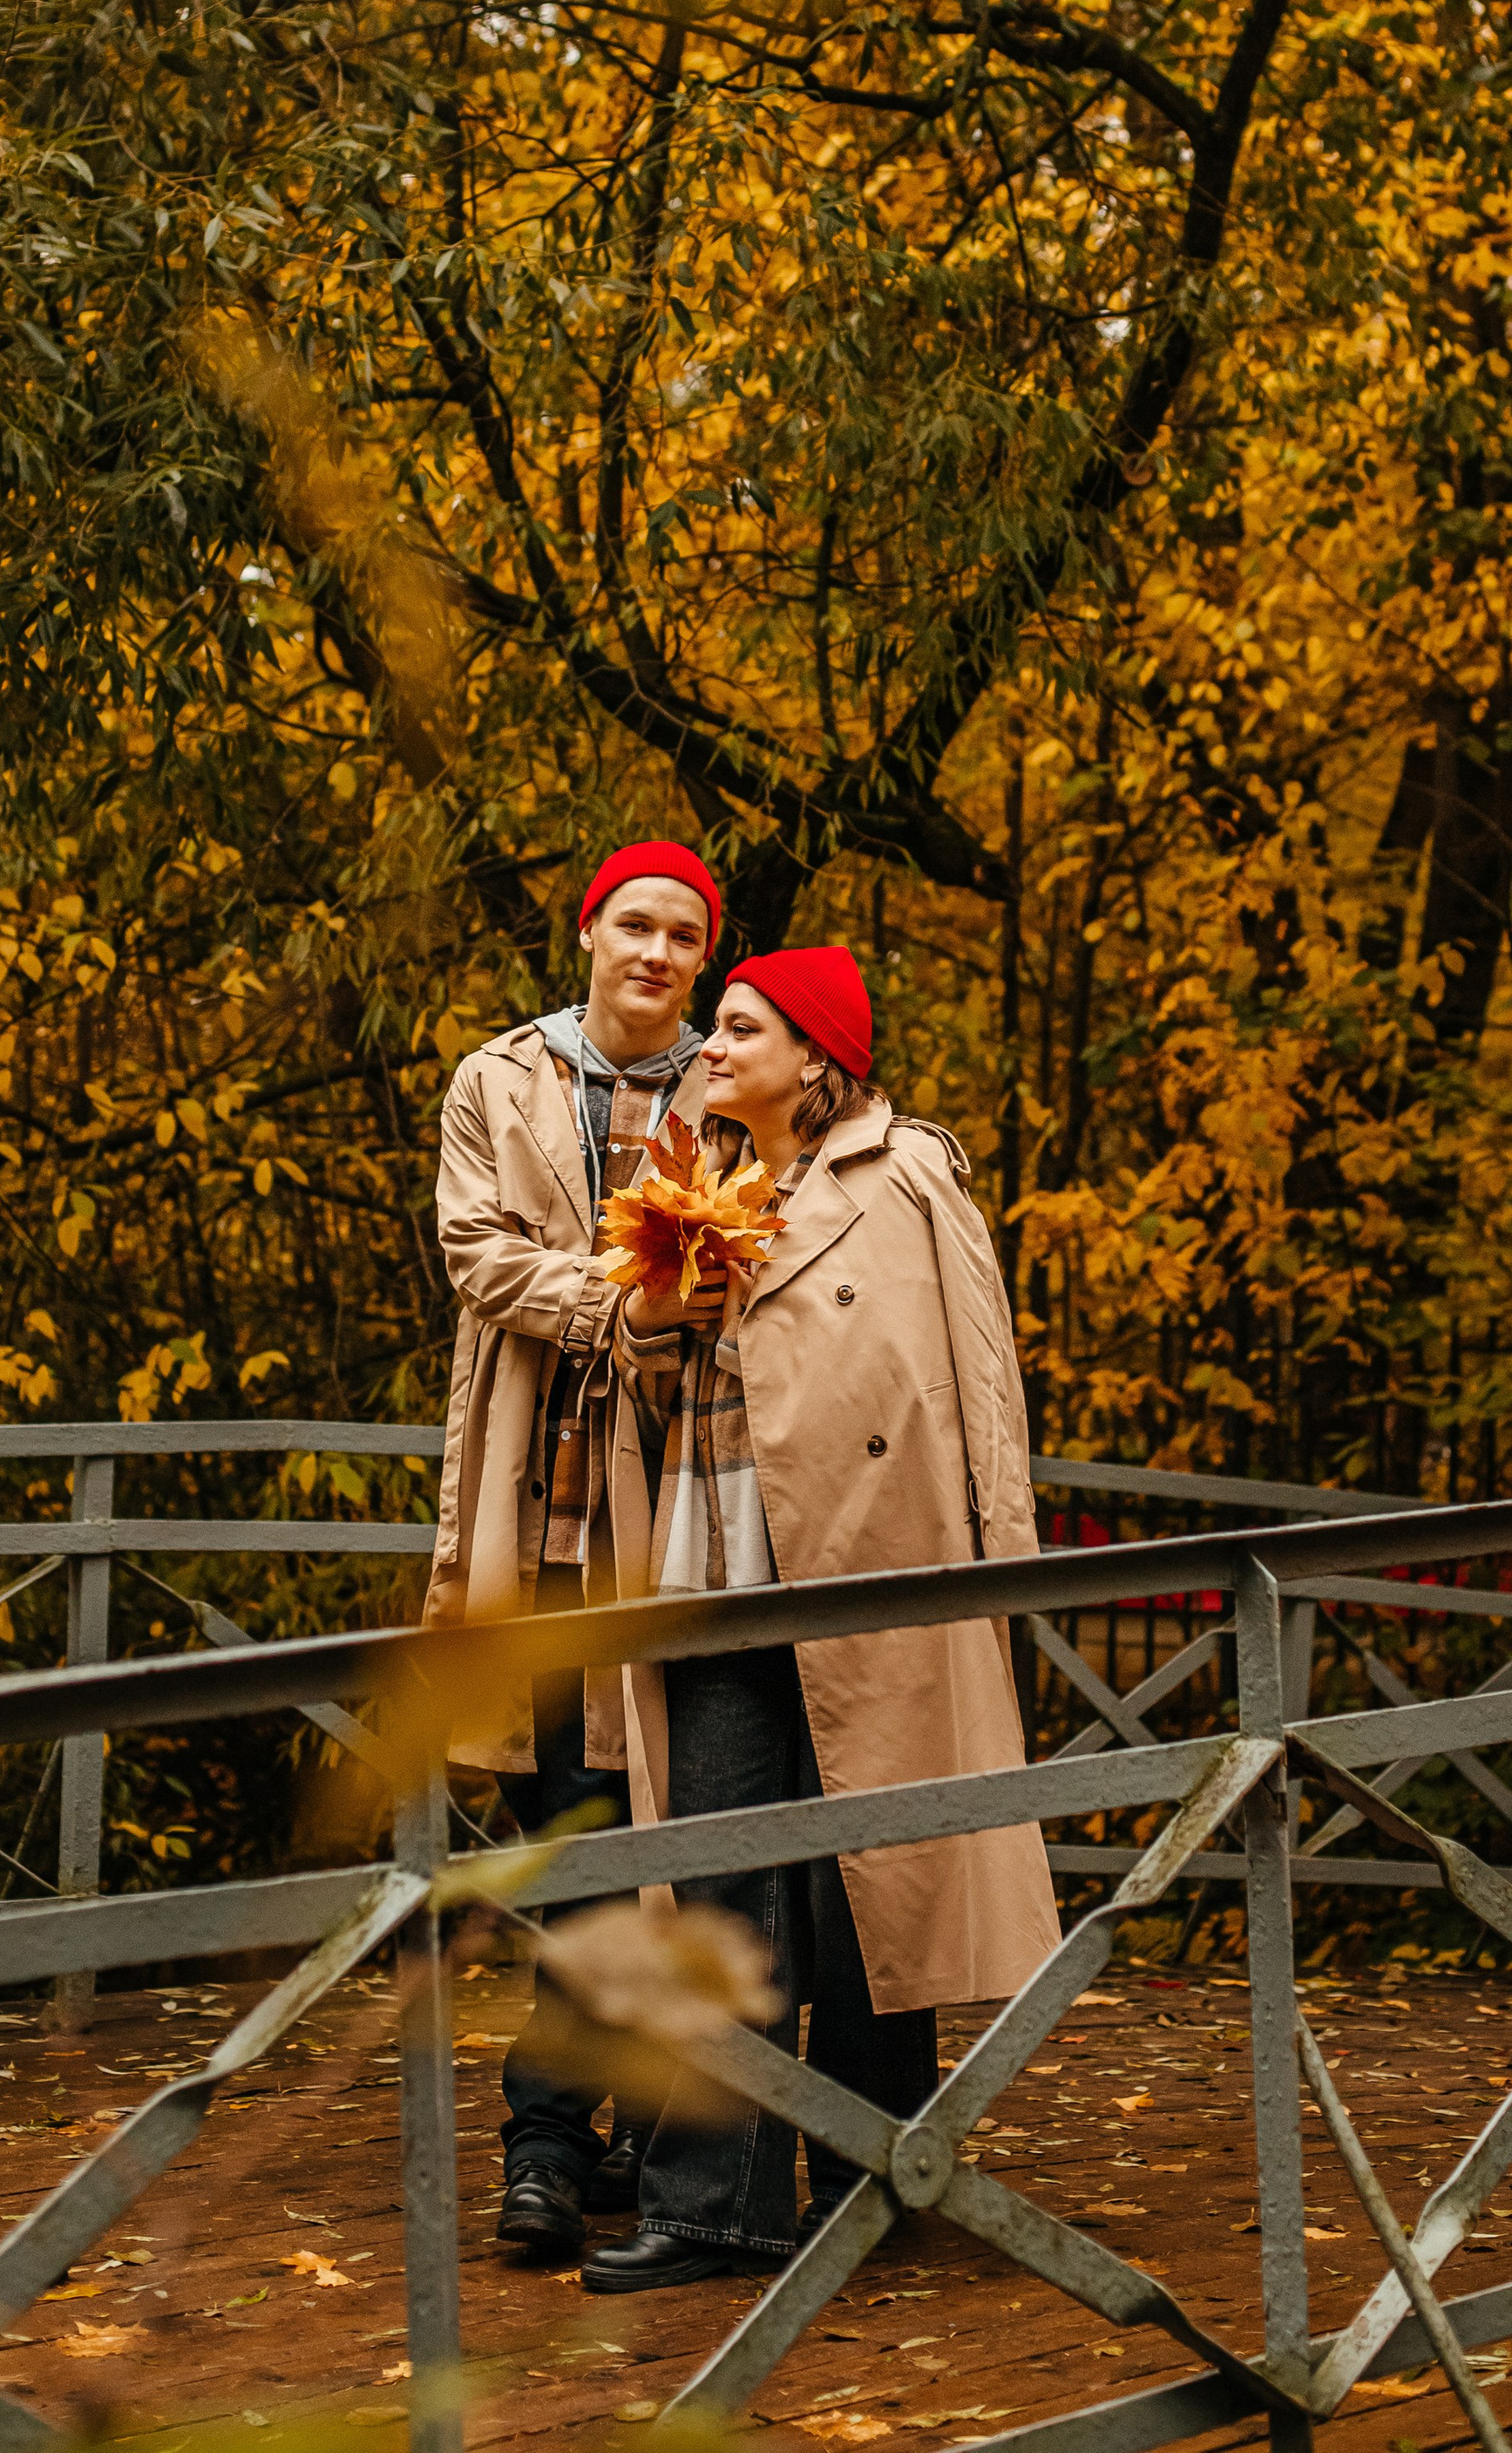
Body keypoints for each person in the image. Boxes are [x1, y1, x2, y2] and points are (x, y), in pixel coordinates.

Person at [584, 942, 1060, 2293]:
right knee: (718, 1886)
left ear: (815, 1057)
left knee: (871, 1885)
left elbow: (981, 1377)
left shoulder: (905, 1175)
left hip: (871, 1569)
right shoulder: (692, 1176)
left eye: (742, 1028)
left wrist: (1003, 1570)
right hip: (713, 1565)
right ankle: (711, 2210)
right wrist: (655, 1316)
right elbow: (639, 1370)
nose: (713, 1046)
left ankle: (876, 2179)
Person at [427, 838, 722, 2264]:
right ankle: (560, 2143)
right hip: (540, 1519)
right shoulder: (498, 1080)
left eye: (685, 935)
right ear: (590, 932)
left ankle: (590, 2141)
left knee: (664, 1839)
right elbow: (479, 1258)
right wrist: (625, 1304)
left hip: (683, 1524)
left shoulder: (736, 1089)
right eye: (636, 925)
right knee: (569, 1832)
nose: (657, 953)